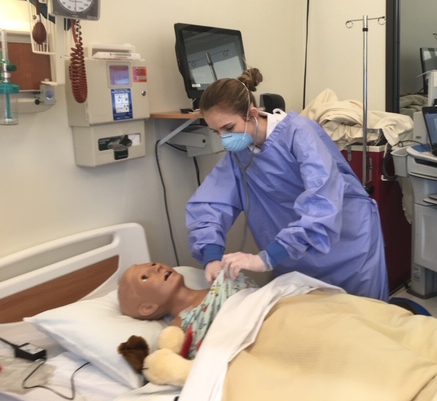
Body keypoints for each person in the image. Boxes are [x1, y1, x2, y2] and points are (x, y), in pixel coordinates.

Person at [185, 67, 389, 301]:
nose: (223, 137)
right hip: (294, 254)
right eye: (216, 131)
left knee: (363, 318)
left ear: (252, 113)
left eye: (228, 128)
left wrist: (265, 258)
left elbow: (324, 202)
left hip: (347, 243)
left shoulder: (299, 133)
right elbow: (210, 204)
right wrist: (211, 256)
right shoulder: (239, 156)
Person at [118, 262, 257, 359]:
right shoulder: (177, 332)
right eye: (145, 277)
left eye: (153, 263)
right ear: (148, 307)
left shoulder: (225, 280)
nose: (157, 267)